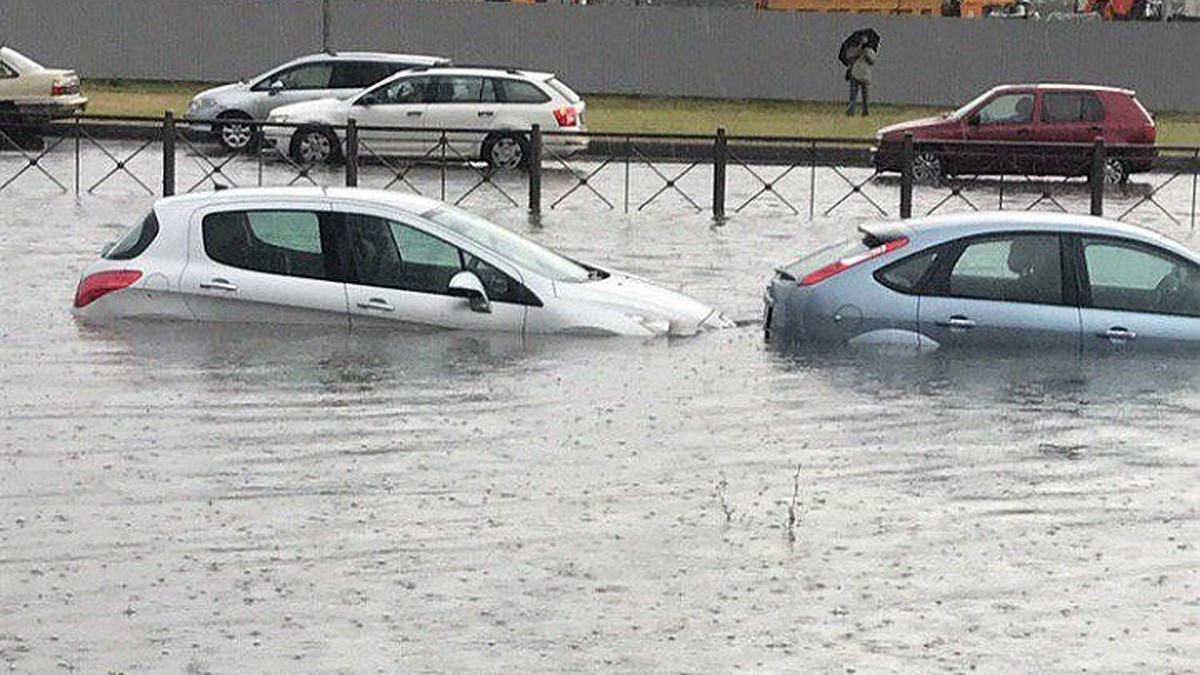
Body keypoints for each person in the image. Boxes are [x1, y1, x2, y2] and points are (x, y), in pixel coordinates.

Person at [846, 35, 877, 117]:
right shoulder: (853, 50)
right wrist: (858, 51)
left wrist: (866, 54)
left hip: (865, 76)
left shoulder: (870, 50)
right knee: (853, 97)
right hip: (854, 74)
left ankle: (865, 112)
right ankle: (851, 112)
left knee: (865, 97)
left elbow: (872, 62)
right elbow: (849, 58)